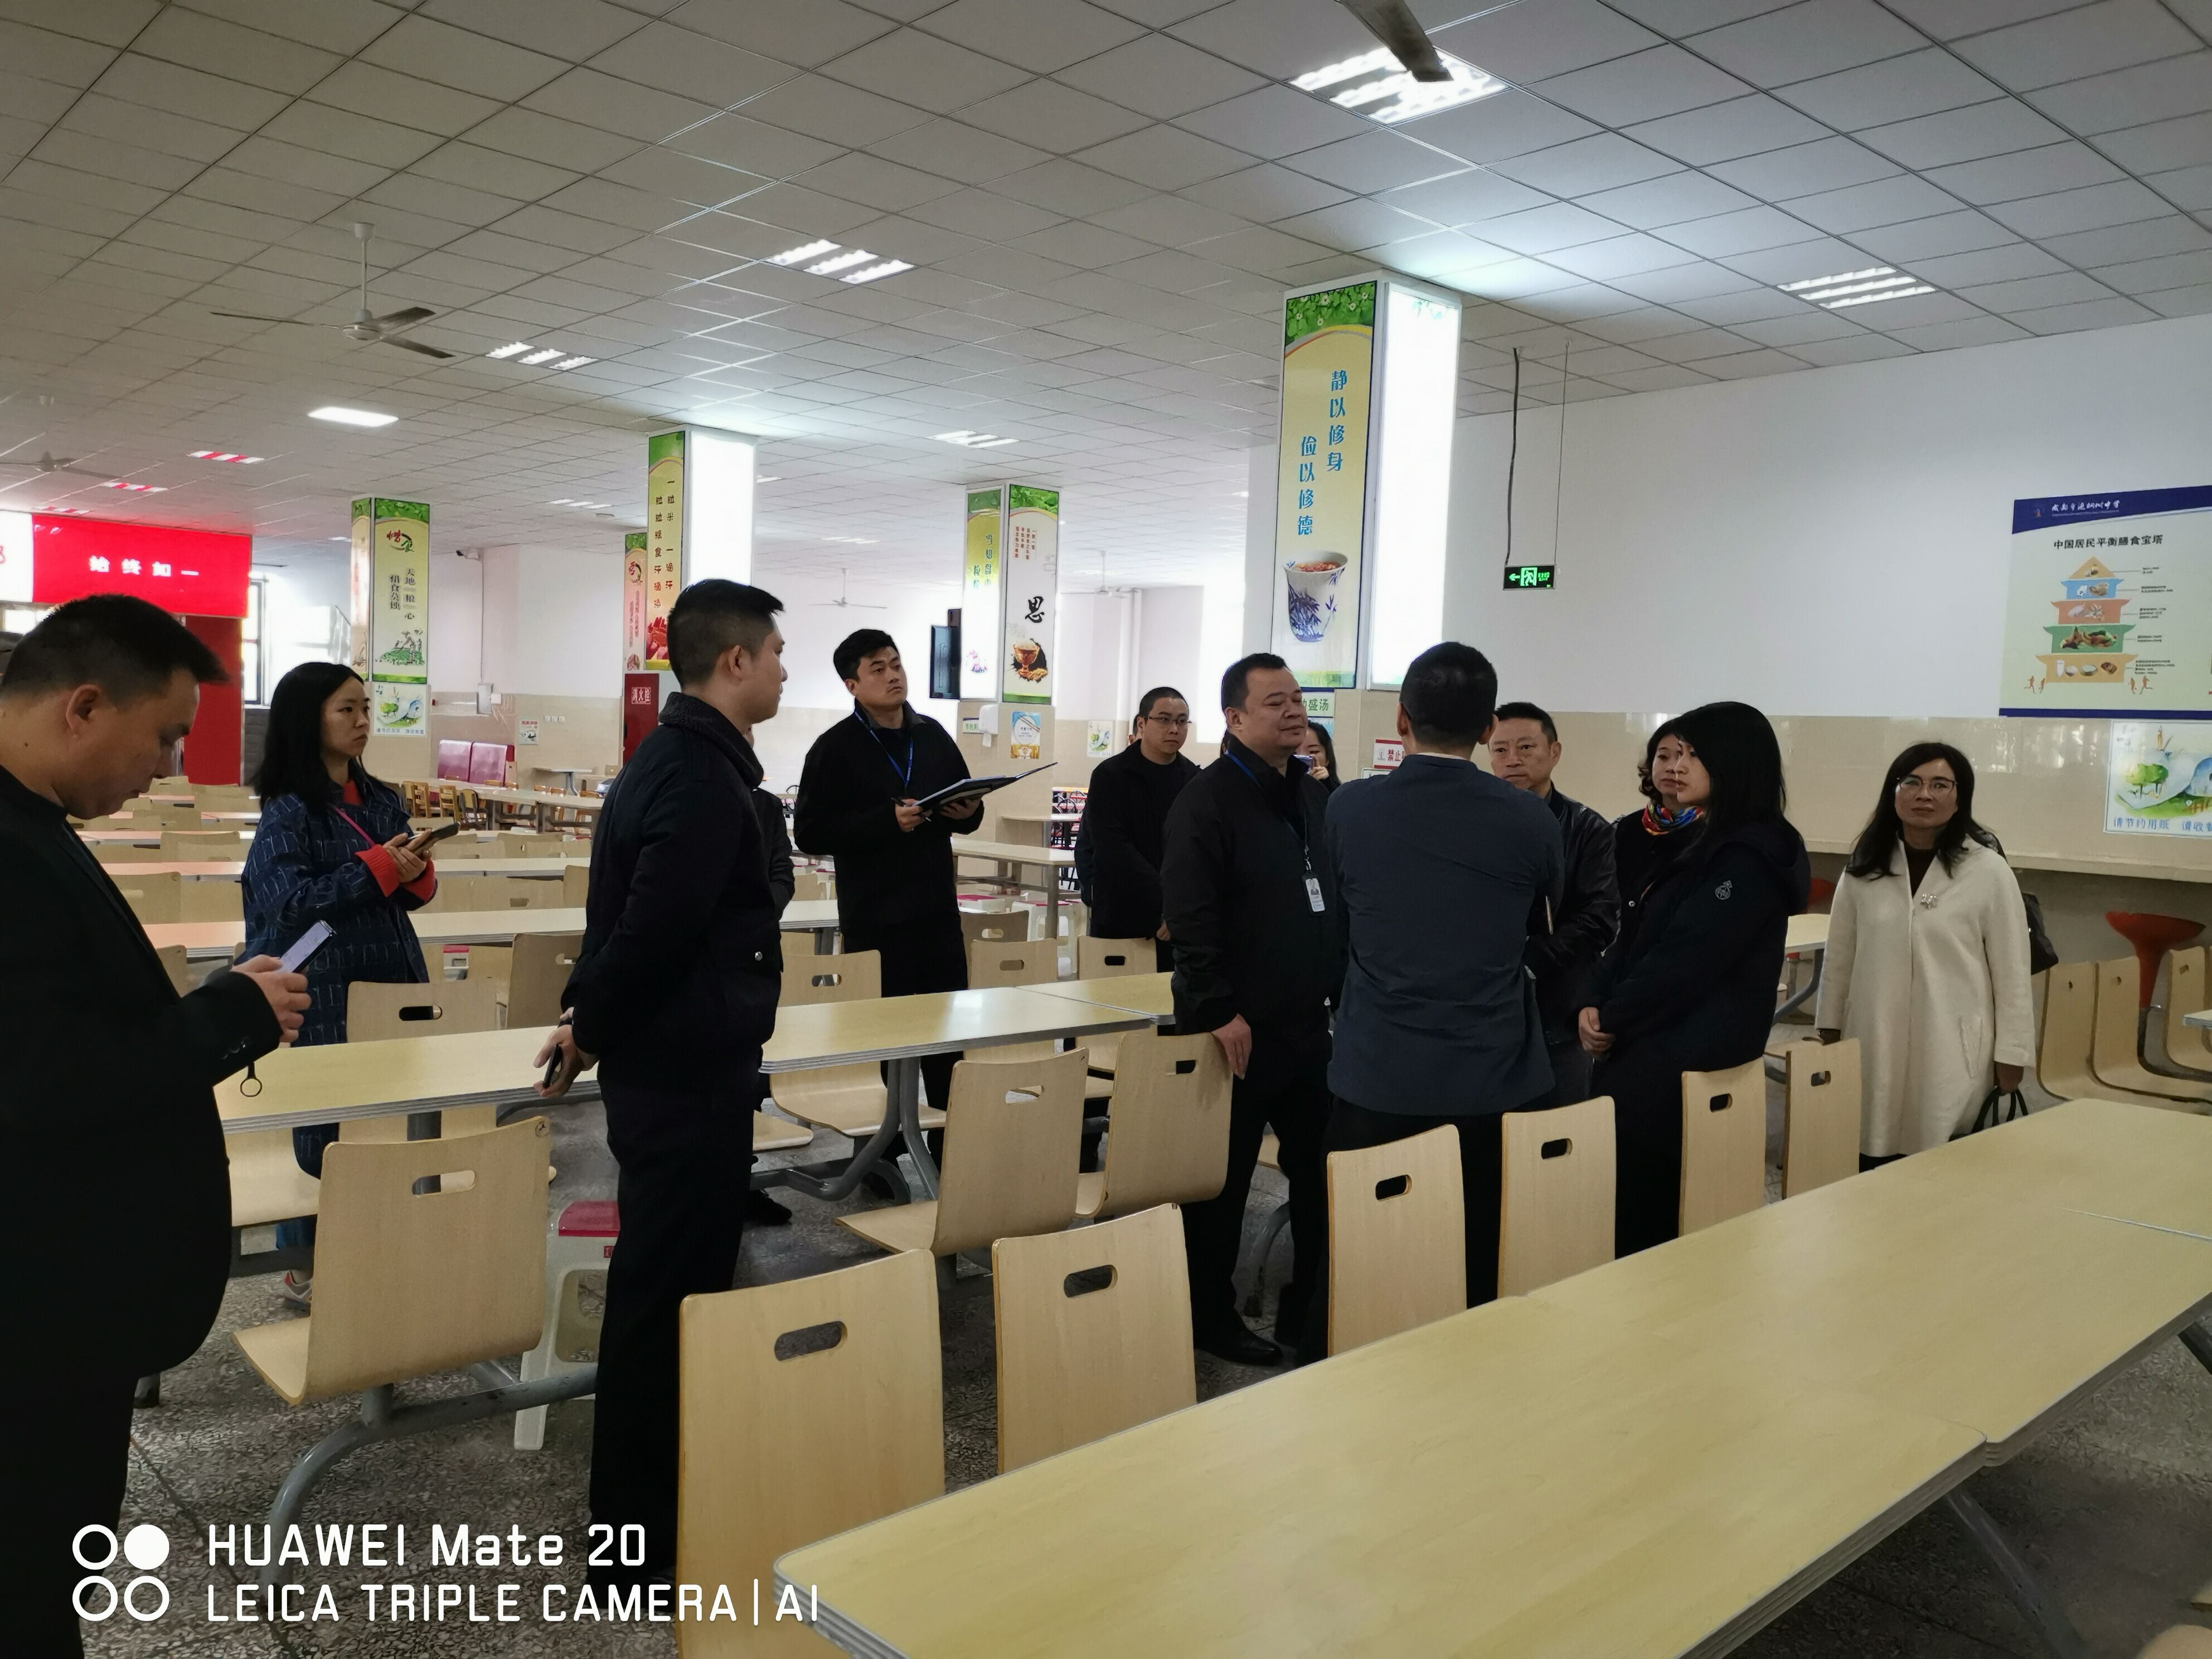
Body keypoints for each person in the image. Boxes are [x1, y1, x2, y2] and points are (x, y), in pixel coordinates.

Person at [0, 595, 305, 1658]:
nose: (170, 766)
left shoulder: (34, 824)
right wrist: (227, 1019)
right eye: (165, 735)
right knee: (29, 1579)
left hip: (55, 1306)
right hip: (32, 1317)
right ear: (85, 707)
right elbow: (44, 1081)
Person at [536, 579, 788, 1588]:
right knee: (664, 1295)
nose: (783, 670)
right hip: (685, 1069)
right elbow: (652, 928)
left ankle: (654, 1508)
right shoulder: (699, 774)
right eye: (775, 653)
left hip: (677, 1058)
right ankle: (634, 1542)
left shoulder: (676, 758)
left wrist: (586, 1017)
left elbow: (628, 920)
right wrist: (590, 1023)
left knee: (669, 1285)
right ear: (734, 660)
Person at [1297, 645, 1562, 1363]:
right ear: (1488, 728)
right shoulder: (1531, 820)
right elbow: (1543, 912)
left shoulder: (1350, 807)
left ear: (1400, 719)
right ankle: (1467, 1385)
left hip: (1378, 1067)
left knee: (1357, 1249)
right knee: (1478, 1248)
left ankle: (1334, 1383)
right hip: (1491, 1071)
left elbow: (1343, 911)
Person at [1161, 652, 1342, 1364]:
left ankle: (1308, 1307)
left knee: (1320, 1171)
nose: (1293, 711)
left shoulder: (1309, 793)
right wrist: (1215, 1010)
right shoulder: (1205, 801)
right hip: (1232, 1030)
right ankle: (1208, 1316)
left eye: (1297, 699)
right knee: (1221, 1182)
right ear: (1234, 718)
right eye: (1275, 702)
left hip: (1305, 1024)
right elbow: (1190, 915)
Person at [1579, 701, 1808, 1256]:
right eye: (1671, 753)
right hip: (1656, 1050)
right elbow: (1634, 933)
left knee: (1653, 1223)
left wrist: (1611, 1016)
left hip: (1679, 1063)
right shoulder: (1702, 840)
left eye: (1694, 754)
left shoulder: (1747, 854)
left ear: (1732, 762)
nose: (1678, 765)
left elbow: (1683, 962)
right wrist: (1592, 999)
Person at [242, 661, 442, 1298]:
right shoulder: (288, 810)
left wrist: (413, 873)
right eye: (346, 709)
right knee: (323, 1130)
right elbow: (288, 904)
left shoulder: (382, 799)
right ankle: (307, 1266)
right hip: (322, 988)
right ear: (310, 720)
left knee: (392, 1117)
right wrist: (376, 868)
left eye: (365, 708)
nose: (362, 722)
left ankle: (384, 1247)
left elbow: (405, 895)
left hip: (391, 979)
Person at [793, 630, 982, 1119]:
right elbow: (810, 832)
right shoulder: (834, 748)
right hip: (876, 919)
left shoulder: (932, 735)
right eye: (878, 669)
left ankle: (949, 1140)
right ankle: (882, 1146)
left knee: (947, 1036)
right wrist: (886, 821)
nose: (893, 675)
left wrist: (968, 812)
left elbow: (969, 808)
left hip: (937, 915)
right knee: (881, 1039)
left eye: (896, 664)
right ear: (852, 685)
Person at [1818, 743, 2035, 1166]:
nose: (1924, 795)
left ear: (1959, 797)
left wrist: (2013, 1054)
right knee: (1870, 1143)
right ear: (1893, 791)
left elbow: (2012, 972)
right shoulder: (1864, 868)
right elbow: (1840, 956)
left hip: (1952, 1043)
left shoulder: (1988, 871)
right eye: (1912, 783)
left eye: (1940, 785)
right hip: (1874, 1035)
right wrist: (1828, 1028)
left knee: (1943, 1156)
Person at [1488, 701, 1619, 1104]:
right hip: (1486, 1006)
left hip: (1558, 1005)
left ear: (1554, 752)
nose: (1513, 760)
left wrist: (1529, 962)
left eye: (1526, 748)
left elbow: (1599, 918)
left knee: (1559, 1122)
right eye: (1500, 749)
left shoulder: (1589, 829)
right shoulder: (1475, 824)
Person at [1074, 685, 1197, 970]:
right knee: (1114, 996)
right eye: (1164, 719)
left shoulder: (1194, 779)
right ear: (1142, 723)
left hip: (1176, 922)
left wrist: (1179, 910)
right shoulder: (1111, 776)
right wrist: (1164, 903)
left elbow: (1195, 852)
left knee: (1171, 996)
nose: (1174, 729)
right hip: (1122, 913)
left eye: (1182, 721)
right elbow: (1114, 850)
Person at [1611, 722, 1701, 961]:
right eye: (1662, 757)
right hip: (1621, 956)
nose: (1672, 767)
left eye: (1682, 756)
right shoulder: (1626, 827)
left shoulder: (1711, 832)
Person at [1293, 720, 1340, 792]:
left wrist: (1327, 783)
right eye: (1294, 753)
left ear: (1327, 758)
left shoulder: (1339, 792)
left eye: (1313, 752)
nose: (1303, 756)